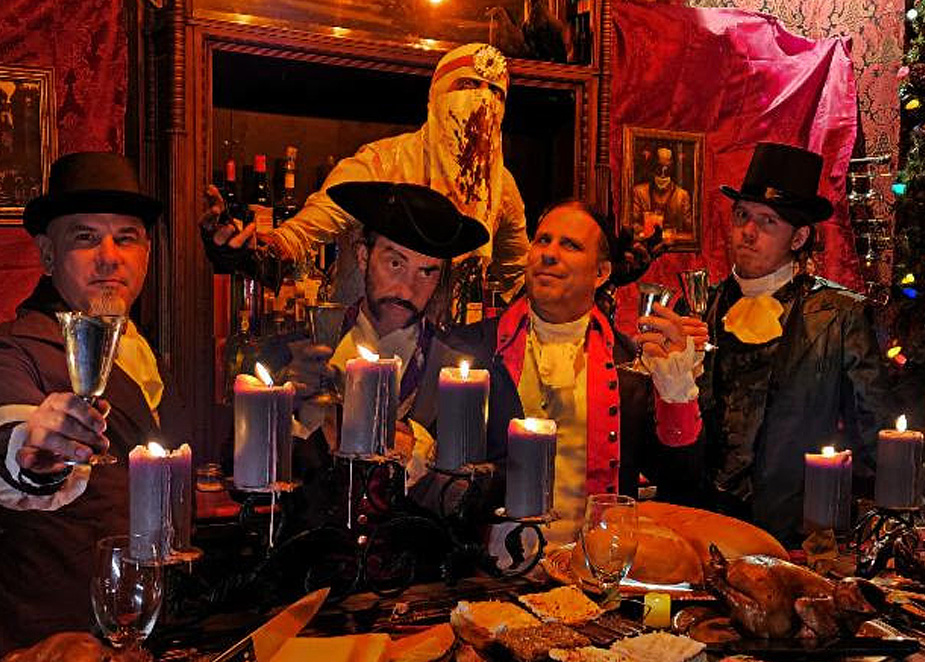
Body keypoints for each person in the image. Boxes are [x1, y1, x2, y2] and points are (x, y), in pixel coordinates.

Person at [0, 152, 182, 653]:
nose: (109, 257)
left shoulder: (142, 351)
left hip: (144, 634)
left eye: (126, 238)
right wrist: (31, 452)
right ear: (48, 256)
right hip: (52, 649)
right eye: (86, 237)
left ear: (146, 254)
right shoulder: (4, 352)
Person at [450, 200, 702, 544]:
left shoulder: (630, 365)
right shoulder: (473, 349)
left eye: (570, 245)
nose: (549, 254)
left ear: (601, 273)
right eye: (543, 240)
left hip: (592, 564)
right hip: (490, 566)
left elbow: (680, 484)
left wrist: (677, 391)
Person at [202, 43, 529, 304]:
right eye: (468, 85)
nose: (483, 100)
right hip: (362, 341)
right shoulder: (381, 161)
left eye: (496, 93)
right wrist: (256, 252)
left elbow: (517, 278)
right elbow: (308, 229)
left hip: (448, 351)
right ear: (437, 95)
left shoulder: (502, 187)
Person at [684, 142, 896, 545]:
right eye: (742, 215)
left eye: (768, 222)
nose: (748, 232)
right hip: (702, 524)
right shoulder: (699, 307)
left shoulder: (838, 315)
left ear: (798, 237)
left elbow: (873, 430)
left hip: (793, 532)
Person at [282, 181, 491, 487]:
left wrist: (423, 454)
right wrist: (285, 405)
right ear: (363, 256)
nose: (406, 290)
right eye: (395, 263)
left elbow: (483, 489)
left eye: (427, 272)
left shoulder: (465, 373)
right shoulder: (300, 352)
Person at [631, 147, 692, 242]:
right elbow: (632, 222)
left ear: (672, 169)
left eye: (667, 169)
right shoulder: (639, 192)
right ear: (653, 168)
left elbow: (689, 227)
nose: (662, 175)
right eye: (659, 168)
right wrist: (646, 231)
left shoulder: (682, 195)